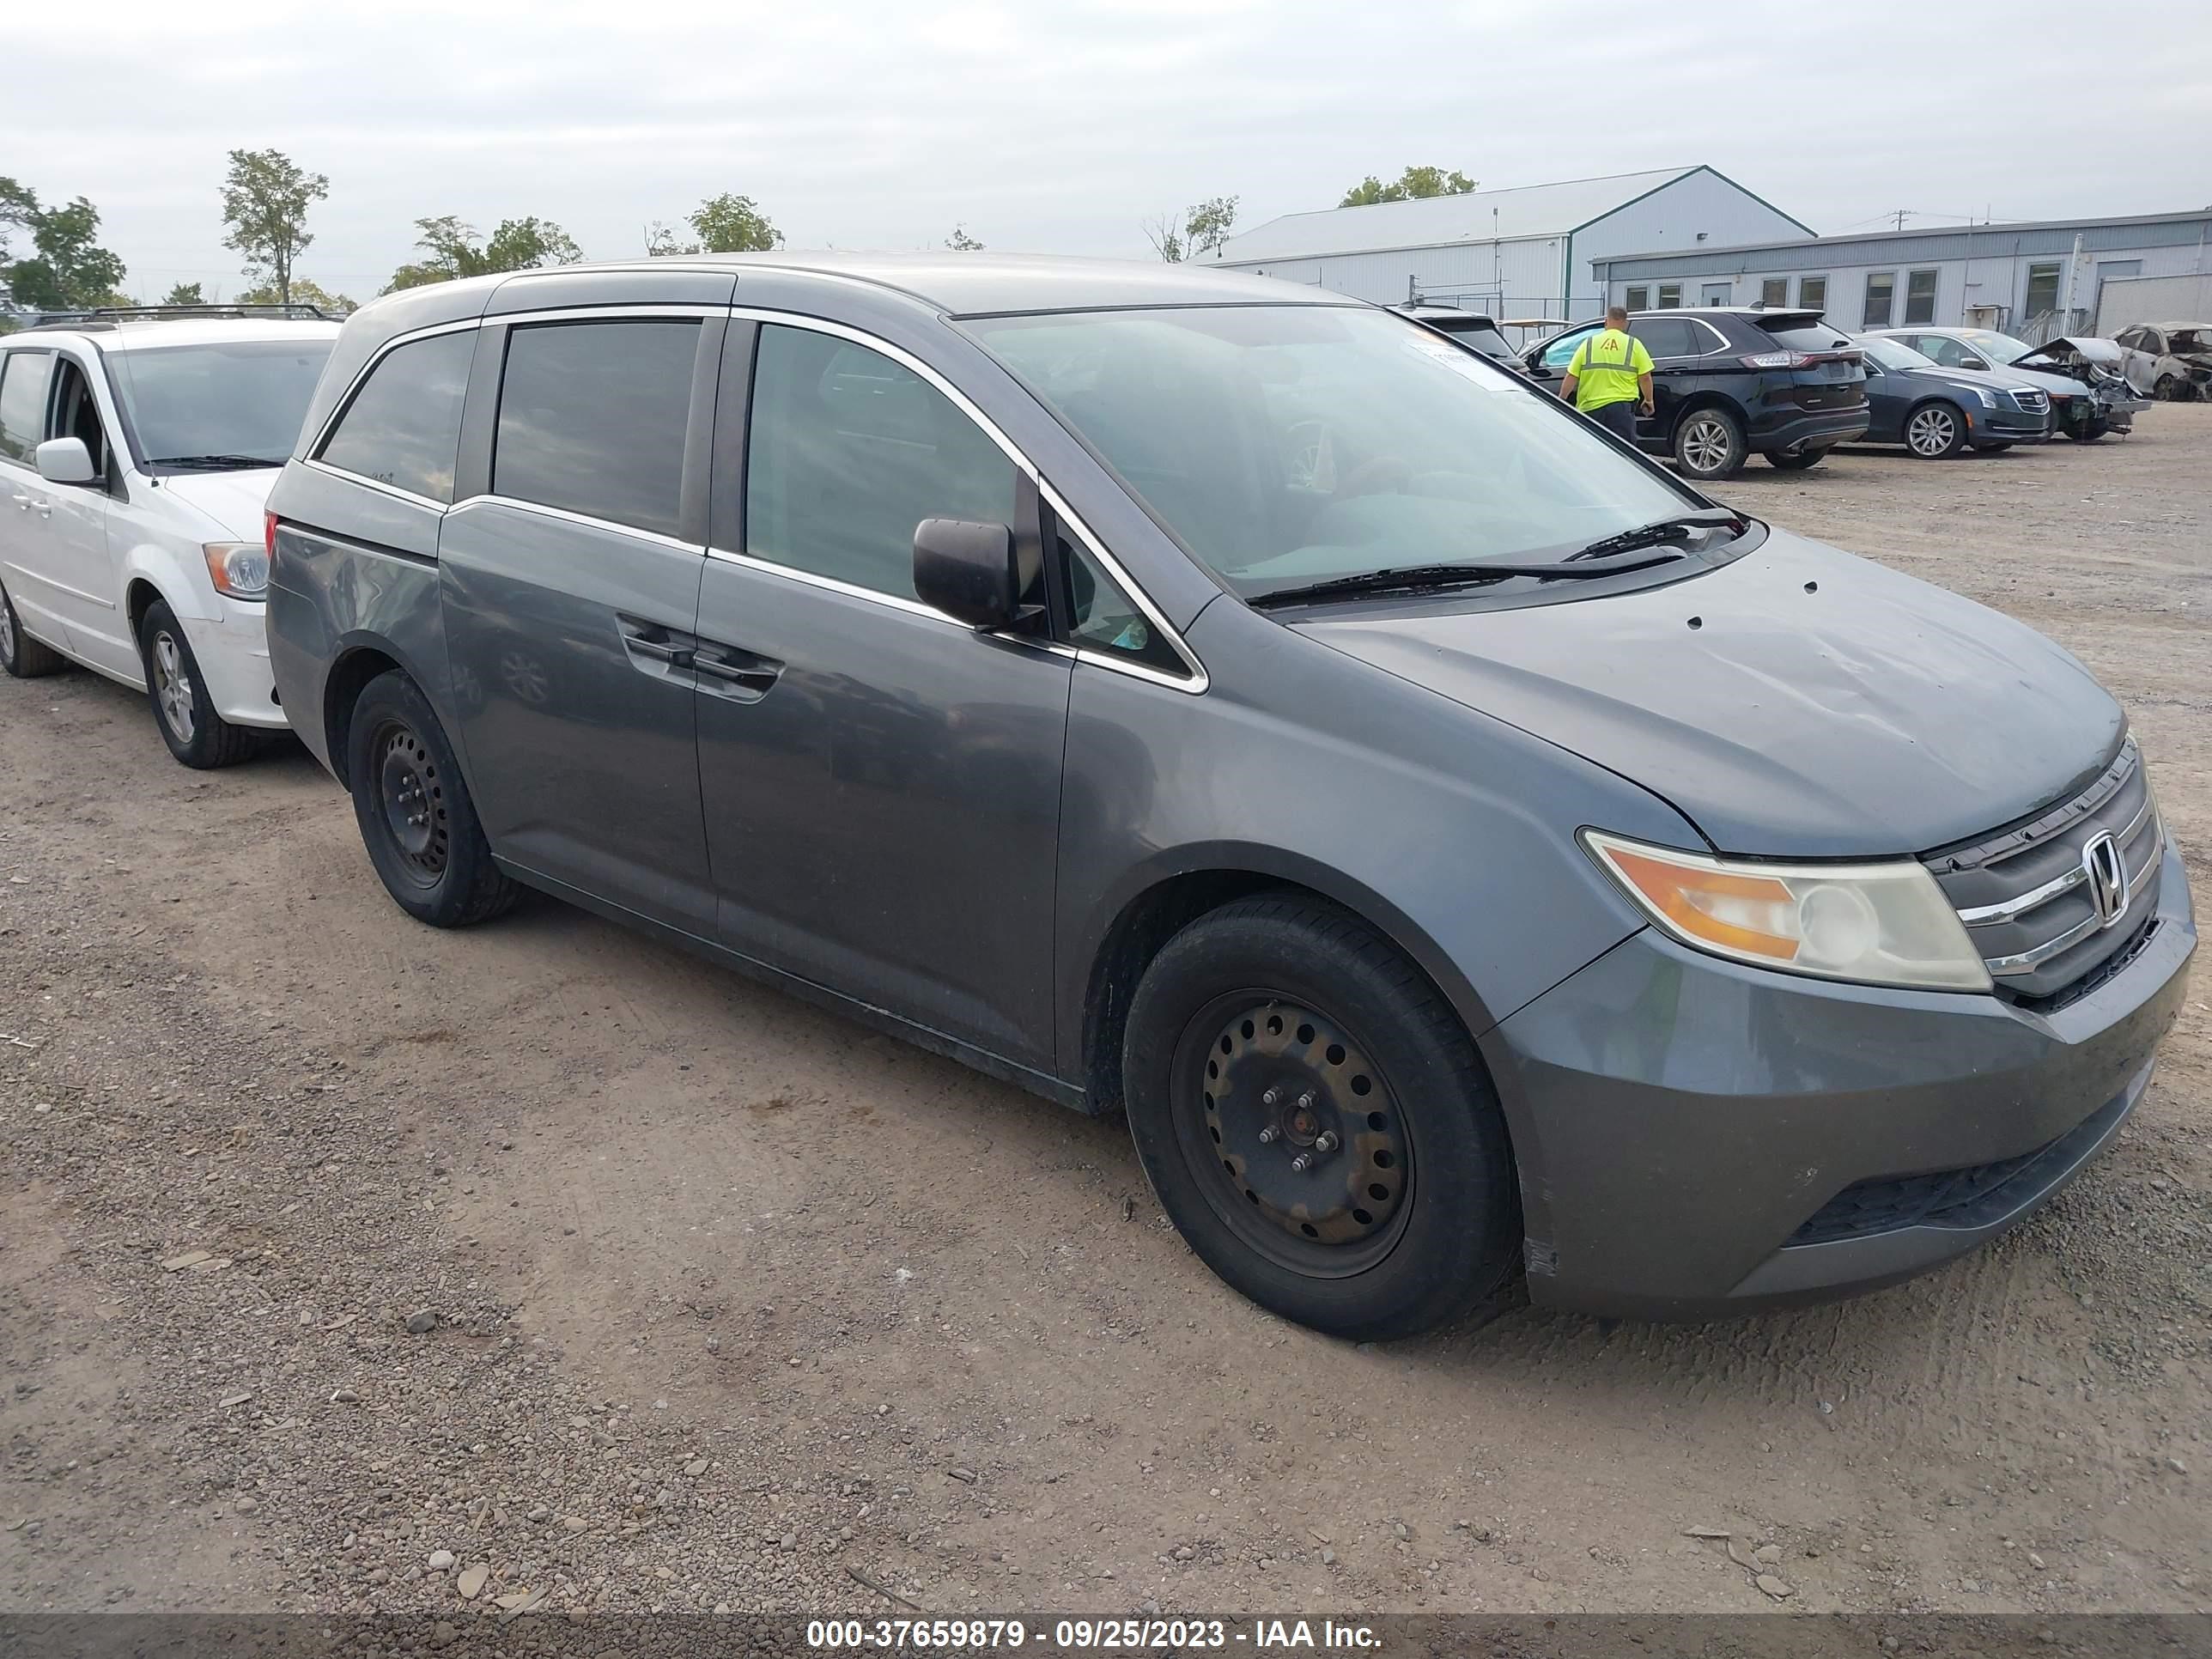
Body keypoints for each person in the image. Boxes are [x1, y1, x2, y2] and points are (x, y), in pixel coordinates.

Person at [1559, 307, 1655, 443]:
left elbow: (1571, 375)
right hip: (1621, 409)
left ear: (1606, 321)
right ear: (1625, 323)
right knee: (1623, 451)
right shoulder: (1634, 344)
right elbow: (1645, 377)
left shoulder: (1589, 343)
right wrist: (1649, 400)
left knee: (1591, 448)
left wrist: (1561, 399)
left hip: (1591, 408)